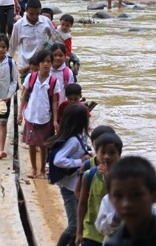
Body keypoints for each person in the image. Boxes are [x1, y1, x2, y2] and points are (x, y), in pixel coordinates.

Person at [45, 104, 92, 246]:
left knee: (79, 223)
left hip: (75, 186)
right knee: (74, 226)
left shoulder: (78, 137)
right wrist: (80, 161)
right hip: (69, 188)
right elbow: (59, 160)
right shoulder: (73, 141)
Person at [18, 49, 60, 179]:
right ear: (39, 63)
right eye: (43, 61)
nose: (45, 64)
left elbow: (54, 102)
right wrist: (20, 113)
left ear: (52, 63)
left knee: (43, 145)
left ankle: (42, 170)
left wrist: (55, 120)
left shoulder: (53, 81)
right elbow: (24, 95)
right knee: (31, 143)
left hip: (45, 117)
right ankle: (34, 168)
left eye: (48, 61)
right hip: (31, 115)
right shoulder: (31, 77)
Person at [77, 133, 123, 246]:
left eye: (112, 153)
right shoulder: (89, 175)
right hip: (91, 232)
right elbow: (82, 204)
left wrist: (107, 178)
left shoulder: (124, 179)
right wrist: (79, 232)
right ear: (96, 154)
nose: (107, 156)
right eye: (102, 152)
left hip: (113, 232)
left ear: (119, 155)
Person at [9, 0, 55, 80]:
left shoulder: (46, 21)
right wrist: (7, 63)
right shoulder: (19, 25)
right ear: (26, 10)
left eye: (37, 13)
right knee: (28, 90)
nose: (34, 16)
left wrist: (48, 46)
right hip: (26, 65)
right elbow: (13, 45)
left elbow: (54, 37)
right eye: (31, 14)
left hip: (42, 64)